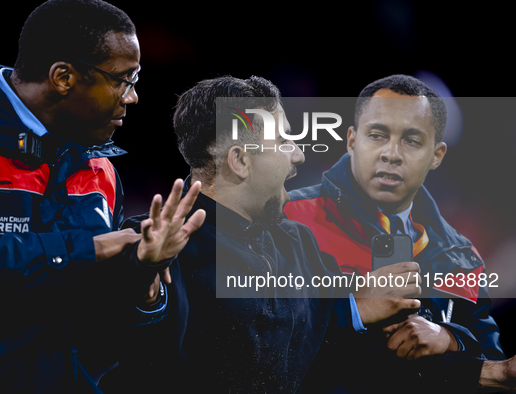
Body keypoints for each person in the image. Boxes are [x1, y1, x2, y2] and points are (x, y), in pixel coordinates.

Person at [0, 0, 204, 392]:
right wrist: (88, 248)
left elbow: (104, 329)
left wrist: (141, 271)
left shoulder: (100, 169)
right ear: (63, 77)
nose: (132, 97)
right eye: (125, 79)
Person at [116, 75, 432, 393]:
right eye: (282, 141)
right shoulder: (149, 245)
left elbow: (324, 330)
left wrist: (360, 307)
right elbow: (122, 336)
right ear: (240, 160)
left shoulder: (298, 243)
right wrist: (141, 278)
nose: (297, 155)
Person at [284, 74, 504, 393]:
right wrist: (354, 310)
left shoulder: (462, 258)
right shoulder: (288, 216)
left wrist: (450, 339)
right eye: (377, 135)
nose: (392, 153)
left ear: (437, 155)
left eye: (412, 140)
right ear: (352, 140)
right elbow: (249, 334)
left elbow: (492, 368)